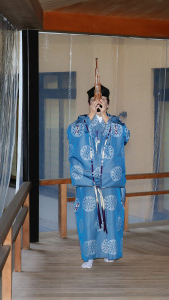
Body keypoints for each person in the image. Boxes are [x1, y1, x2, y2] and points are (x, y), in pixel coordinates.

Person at [67, 84, 130, 268]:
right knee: (87, 220)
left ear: (108, 104)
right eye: (94, 101)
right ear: (88, 103)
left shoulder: (116, 123)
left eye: (102, 101)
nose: (98, 104)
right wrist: (92, 115)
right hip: (87, 181)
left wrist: (104, 117)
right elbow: (72, 135)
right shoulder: (79, 124)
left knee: (112, 218)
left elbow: (125, 136)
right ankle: (89, 257)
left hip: (110, 181)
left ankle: (112, 252)